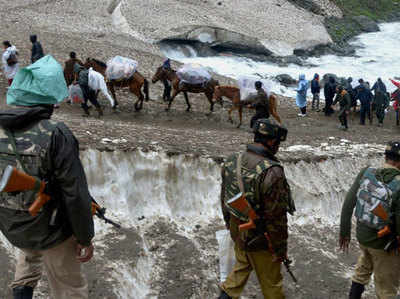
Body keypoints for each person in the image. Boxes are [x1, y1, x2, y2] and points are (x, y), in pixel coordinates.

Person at [0, 73, 95, 298]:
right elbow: (75, 193)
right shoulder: (56, 134)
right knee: (69, 288)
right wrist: (84, 238)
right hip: (52, 228)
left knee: (28, 257)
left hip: (14, 222)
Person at [218, 118, 295, 299]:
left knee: (240, 269)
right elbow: (276, 218)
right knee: (272, 286)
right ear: (271, 141)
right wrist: (280, 250)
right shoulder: (272, 171)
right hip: (261, 238)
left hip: (238, 228)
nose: (278, 147)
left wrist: (230, 225)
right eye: (277, 143)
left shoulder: (232, 160)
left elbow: (224, 197)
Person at [340, 141, 400, 299]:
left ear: (386, 156)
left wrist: (344, 232)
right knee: (386, 288)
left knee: (363, 270)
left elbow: (348, 204)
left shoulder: (367, 172)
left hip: (363, 237)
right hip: (384, 245)